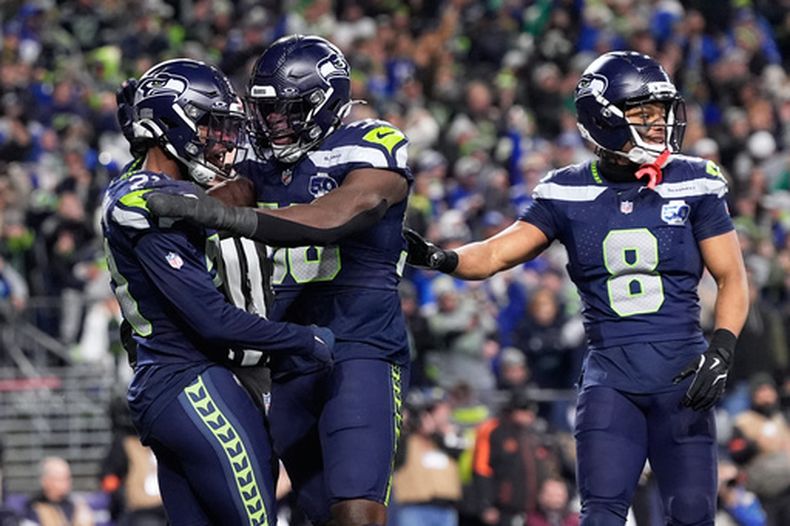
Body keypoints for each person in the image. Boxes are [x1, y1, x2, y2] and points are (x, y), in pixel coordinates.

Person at [405, 51, 749, 525]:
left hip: (683, 379)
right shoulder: (565, 191)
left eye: (660, 112)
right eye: (642, 113)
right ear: (604, 119)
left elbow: (732, 275)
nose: (658, 124)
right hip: (612, 380)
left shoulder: (694, 180)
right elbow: (496, 254)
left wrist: (723, 349)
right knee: (602, 515)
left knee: (692, 515)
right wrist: (438, 257)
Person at [137, 36, 413, 526]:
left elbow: (342, 213)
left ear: (325, 101)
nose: (274, 123)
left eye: (287, 111)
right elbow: (219, 195)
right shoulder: (259, 166)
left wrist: (232, 217)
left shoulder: (371, 144)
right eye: (266, 111)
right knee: (314, 514)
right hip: (289, 361)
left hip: (359, 349)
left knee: (357, 513)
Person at [102, 58, 334, 525]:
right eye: (209, 126)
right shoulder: (151, 203)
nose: (220, 140)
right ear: (174, 122)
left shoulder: (142, 186)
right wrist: (304, 339)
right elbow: (213, 319)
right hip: (192, 383)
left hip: (162, 388)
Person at [23, 456, 94, 526]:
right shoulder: (34, 507)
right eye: (60, 479)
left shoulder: (75, 504)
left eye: (68, 478)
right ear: (46, 481)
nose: (67, 483)